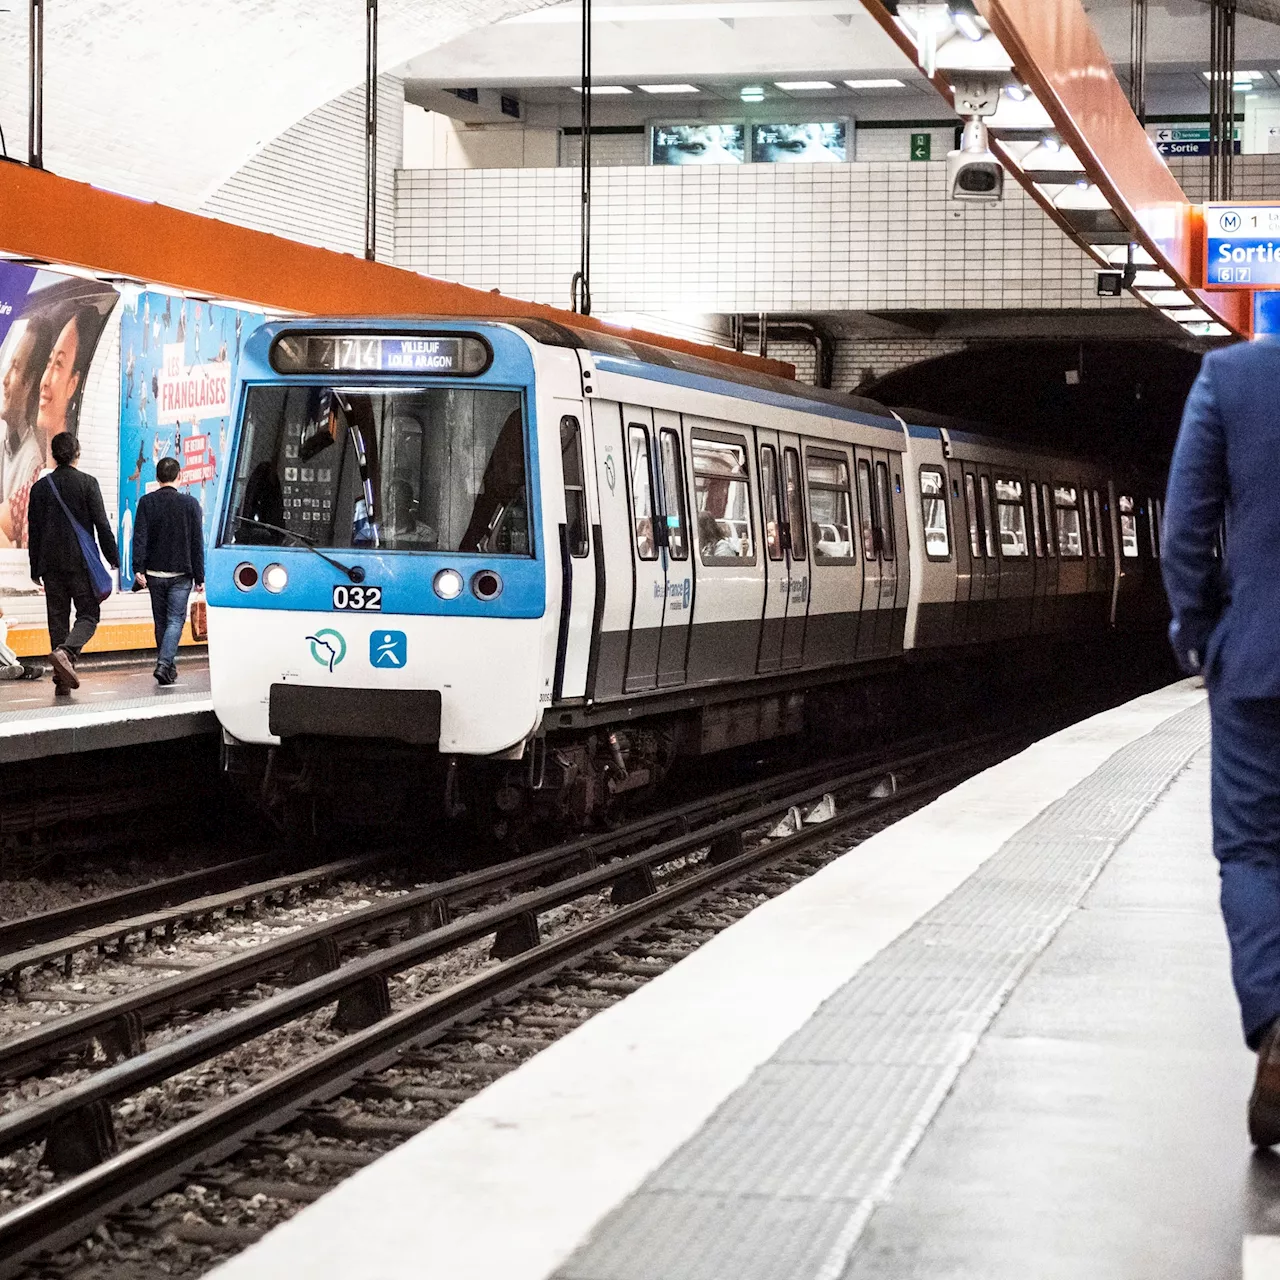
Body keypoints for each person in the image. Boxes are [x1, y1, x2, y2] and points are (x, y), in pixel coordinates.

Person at [1162, 338, 1280, 1148]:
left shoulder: (1235, 378)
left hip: (1261, 663)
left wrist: (1202, 633)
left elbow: (1185, 529)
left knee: (1252, 851)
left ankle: (1278, 1021)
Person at [27, 431, 118, 693]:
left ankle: (61, 679)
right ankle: (67, 653)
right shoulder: (88, 483)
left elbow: (34, 530)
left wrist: (35, 568)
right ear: (77, 453)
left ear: (54, 456)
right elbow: (102, 525)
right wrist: (113, 558)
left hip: (50, 566)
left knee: (57, 619)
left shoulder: (40, 488)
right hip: (80, 564)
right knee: (89, 614)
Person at [132, 456, 204, 685]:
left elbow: (140, 537)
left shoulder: (146, 502)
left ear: (157, 477)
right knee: (175, 620)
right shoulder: (190, 504)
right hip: (181, 575)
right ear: (179, 477)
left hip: (154, 574)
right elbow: (196, 543)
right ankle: (164, 664)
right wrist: (200, 577)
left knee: (161, 621)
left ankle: (167, 667)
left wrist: (138, 568)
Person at [0, 316, 56, 547]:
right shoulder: (6, 444)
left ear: (29, 382)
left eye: (15, 368)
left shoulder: (33, 464)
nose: (4, 380)